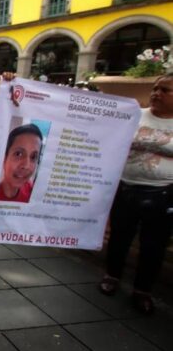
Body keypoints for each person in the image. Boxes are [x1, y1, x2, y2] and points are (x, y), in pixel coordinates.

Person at [99, 74, 173, 314]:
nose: (156, 94)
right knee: (119, 238)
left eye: (165, 90)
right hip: (127, 188)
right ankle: (112, 277)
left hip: (164, 193)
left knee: (154, 246)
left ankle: (143, 290)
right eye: (155, 88)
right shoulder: (134, 115)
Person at [0, 123, 42, 203]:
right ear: (4, 158)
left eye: (33, 157)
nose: (26, 166)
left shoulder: (32, 191)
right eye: (18, 154)